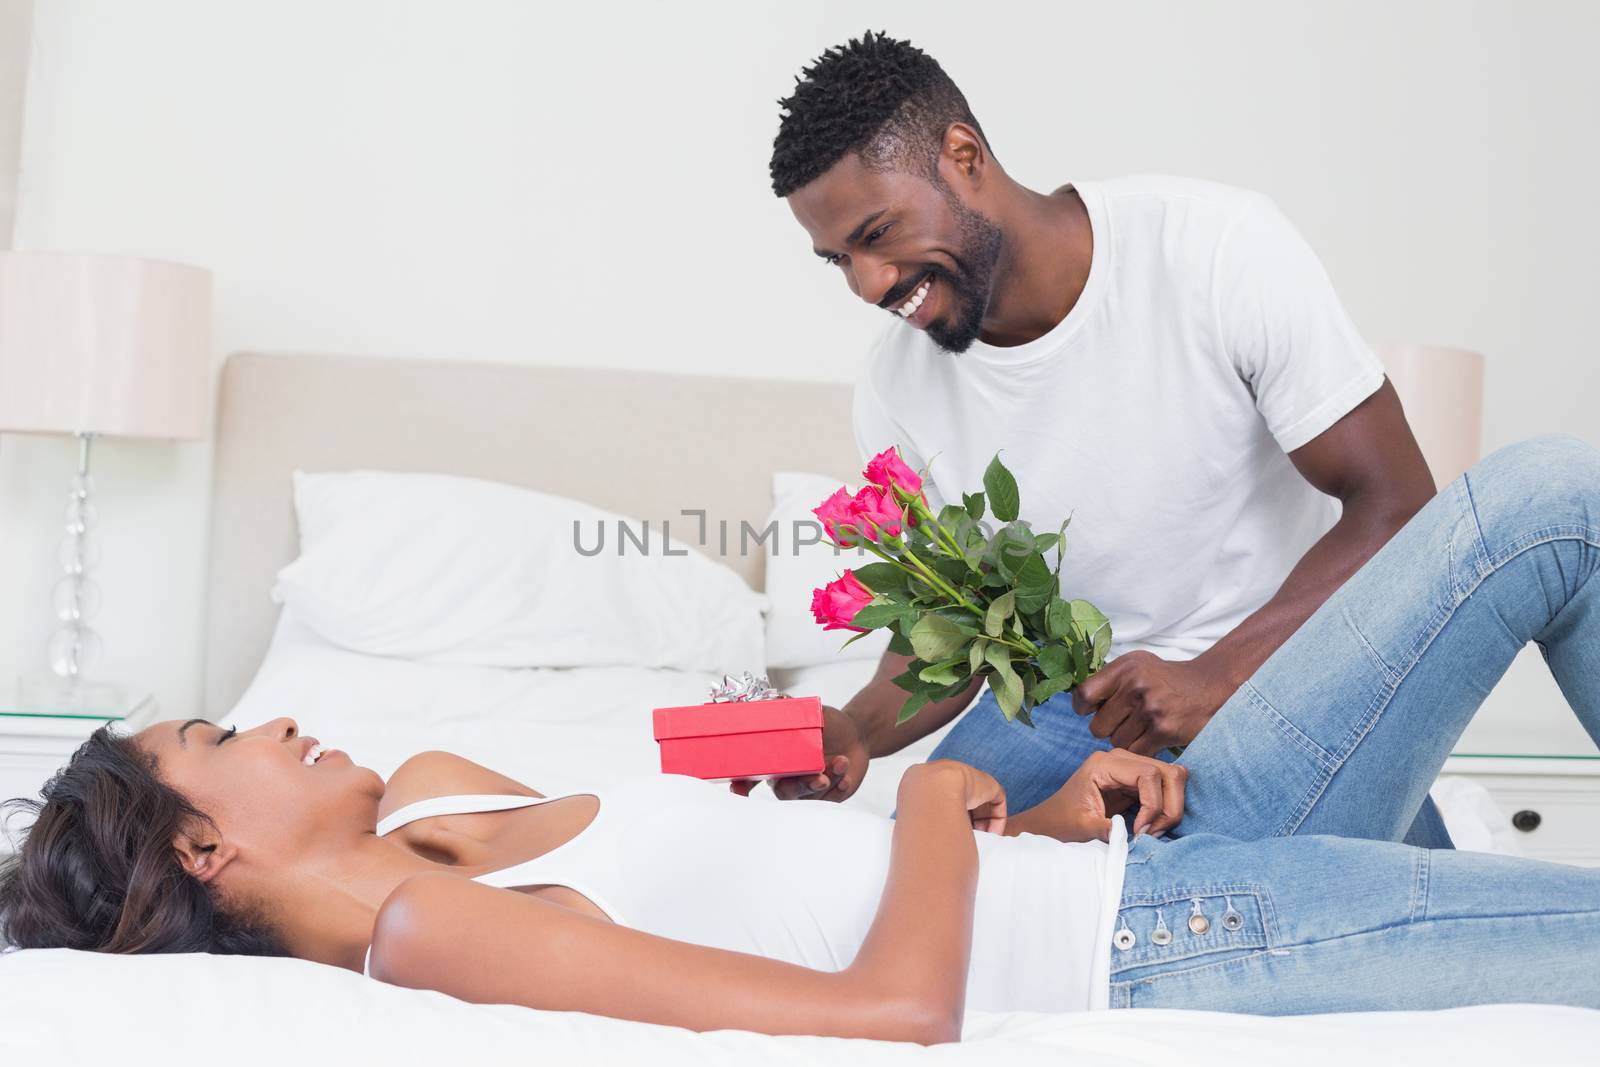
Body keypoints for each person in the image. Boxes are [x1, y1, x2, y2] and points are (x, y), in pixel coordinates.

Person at [2, 437, 1598, 1039]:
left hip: (1129, 837)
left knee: (1542, 502)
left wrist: (1016, 810)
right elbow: (891, 1008)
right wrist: (949, 789)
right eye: (223, 731)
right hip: (1172, 938)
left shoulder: (435, 797)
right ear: (202, 841)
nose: (273, 712)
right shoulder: (425, 932)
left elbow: (792, 838)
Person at [764, 32, 1454, 848]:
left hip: (1285, 675)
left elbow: (1399, 503)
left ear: (962, 155)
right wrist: (857, 730)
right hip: (1079, 708)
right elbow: (965, 622)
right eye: (838, 259)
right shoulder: (895, 388)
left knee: (1414, 944)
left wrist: (1214, 676)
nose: (869, 284)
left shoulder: (1215, 250)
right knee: (913, 887)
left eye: (877, 234)